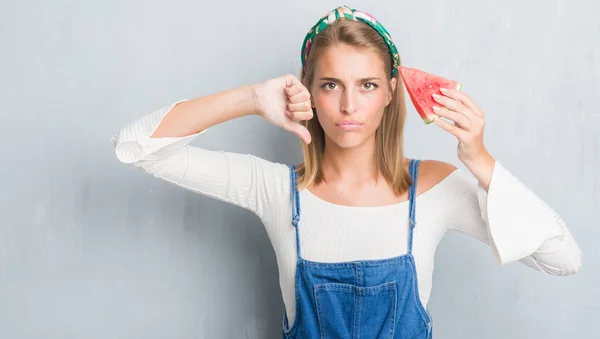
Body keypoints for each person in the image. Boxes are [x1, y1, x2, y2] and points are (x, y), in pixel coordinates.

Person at [111, 5, 581, 338]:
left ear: (391, 93)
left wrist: (479, 158)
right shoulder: (276, 190)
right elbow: (135, 148)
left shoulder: (435, 190)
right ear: (309, 90)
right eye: (331, 84)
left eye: (368, 85)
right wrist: (251, 99)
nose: (349, 105)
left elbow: (563, 259)